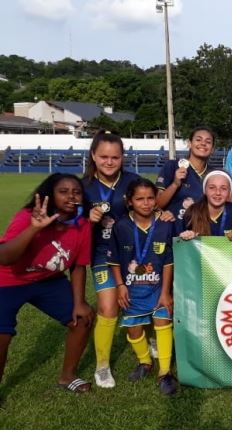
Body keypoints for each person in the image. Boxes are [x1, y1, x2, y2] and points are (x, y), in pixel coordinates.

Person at [0, 174, 94, 393]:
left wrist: (79, 303)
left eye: (76, 192)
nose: (71, 196)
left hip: (47, 281)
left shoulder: (83, 224)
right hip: (8, 280)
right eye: (63, 191)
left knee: (83, 318)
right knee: (1, 335)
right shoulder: (28, 216)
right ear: (50, 195)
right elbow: (4, 257)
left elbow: (78, 266)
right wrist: (34, 228)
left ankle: (67, 377)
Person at [81, 130, 146, 389]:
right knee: (109, 309)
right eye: (104, 157)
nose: (109, 162)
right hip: (102, 255)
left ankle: (148, 345)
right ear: (94, 156)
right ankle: (102, 366)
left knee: (141, 302)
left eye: (115, 157)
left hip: (133, 253)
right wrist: (87, 219)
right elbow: (69, 224)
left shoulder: (133, 181)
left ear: (122, 158)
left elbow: (148, 209)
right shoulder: (83, 187)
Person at [108, 178, 178, 396]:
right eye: (140, 199)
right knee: (134, 328)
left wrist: (166, 292)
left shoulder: (165, 225)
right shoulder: (121, 226)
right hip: (132, 288)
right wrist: (120, 286)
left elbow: (168, 261)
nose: (146, 203)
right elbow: (115, 261)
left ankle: (165, 372)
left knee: (163, 320)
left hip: (159, 286)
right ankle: (144, 362)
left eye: (150, 198)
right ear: (130, 202)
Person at [156, 126, 216, 221]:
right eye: (198, 140)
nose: (203, 143)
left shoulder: (214, 175)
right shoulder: (172, 166)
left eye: (208, 142)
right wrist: (175, 184)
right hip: (175, 228)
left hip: (202, 229)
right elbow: (157, 204)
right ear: (189, 143)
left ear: (212, 148)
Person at [179, 170, 232, 241]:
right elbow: (181, 244)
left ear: (229, 192)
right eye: (212, 187)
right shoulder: (192, 212)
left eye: (223, 188)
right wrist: (188, 236)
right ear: (205, 190)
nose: (218, 192)